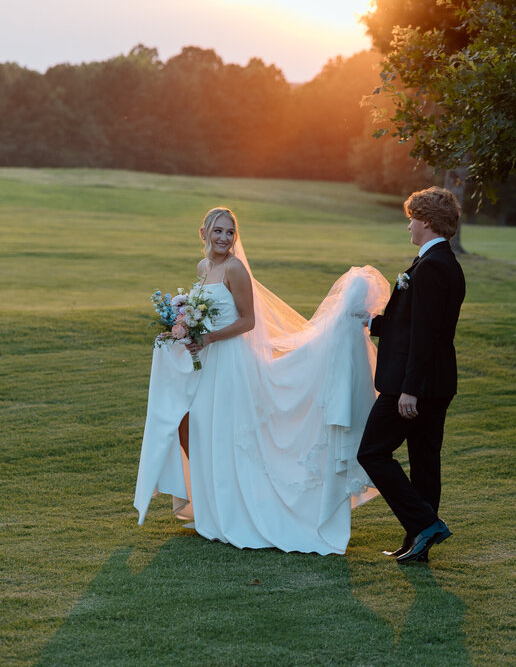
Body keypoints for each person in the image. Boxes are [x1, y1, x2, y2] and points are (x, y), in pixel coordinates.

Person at [134, 207, 389, 555]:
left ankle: (244, 510)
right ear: (204, 232)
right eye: (218, 231)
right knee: (200, 428)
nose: (224, 238)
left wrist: (207, 338)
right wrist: (182, 331)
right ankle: (214, 506)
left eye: (230, 232)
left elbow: (248, 321)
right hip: (207, 362)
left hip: (230, 360)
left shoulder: (235, 269)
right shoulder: (204, 267)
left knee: (226, 432)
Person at [357, 187, 466, 564]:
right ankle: (418, 540)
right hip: (432, 383)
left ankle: (425, 523)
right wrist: (374, 323)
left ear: (426, 221)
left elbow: (426, 336)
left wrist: (409, 390)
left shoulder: (434, 266)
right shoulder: (436, 261)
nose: (408, 226)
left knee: (371, 452)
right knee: (423, 461)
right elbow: (412, 323)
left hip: (415, 384)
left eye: (411, 218)